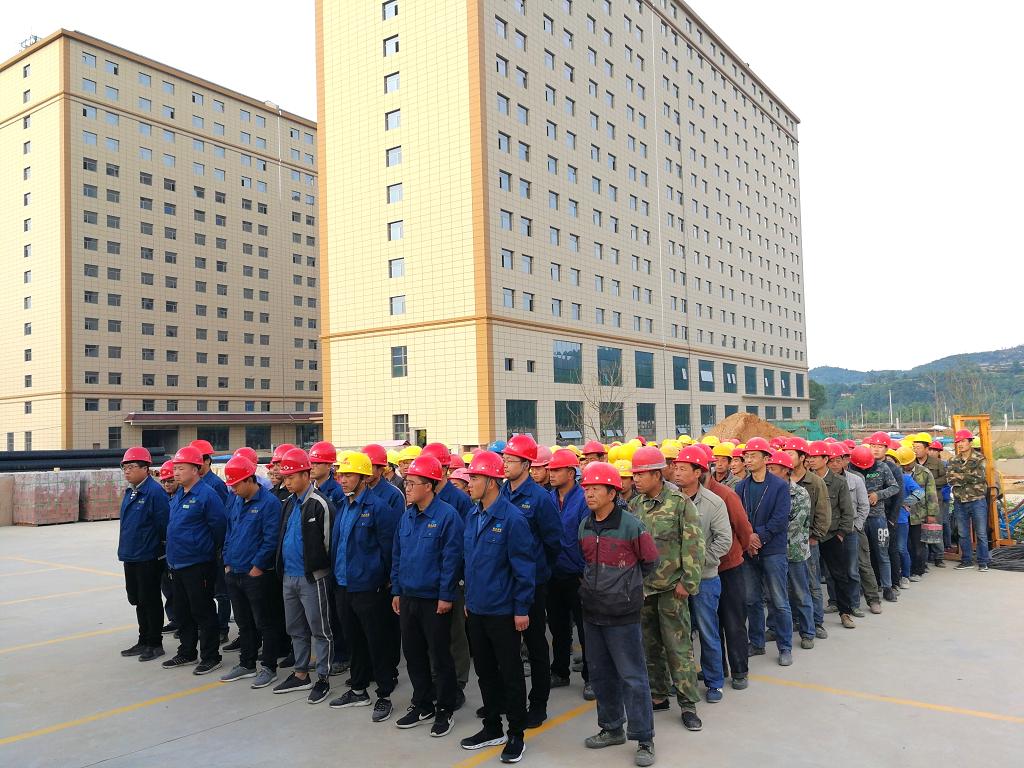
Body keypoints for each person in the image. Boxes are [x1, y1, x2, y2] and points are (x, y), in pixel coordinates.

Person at [578, 462, 660, 768]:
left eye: (596, 488)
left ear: (612, 493)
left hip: (623, 614)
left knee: (633, 677)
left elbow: (650, 561)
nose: (589, 494)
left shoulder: (631, 526)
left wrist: (627, 588)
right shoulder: (584, 526)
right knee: (601, 675)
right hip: (593, 612)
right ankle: (611, 728)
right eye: (586, 488)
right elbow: (585, 562)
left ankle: (644, 738)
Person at [459, 451, 534, 764]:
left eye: (475, 478)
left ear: (491, 482)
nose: (469, 483)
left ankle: (516, 733)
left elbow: (524, 568)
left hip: (503, 611)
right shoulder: (473, 515)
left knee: (511, 674)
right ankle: (492, 727)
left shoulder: (512, 519)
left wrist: (521, 609)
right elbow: (470, 562)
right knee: (485, 672)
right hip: (477, 608)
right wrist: (469, 600)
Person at [628, 446, 705, 731]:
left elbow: (694, 545)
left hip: (673, 588)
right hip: (645, 589)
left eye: (641, 474)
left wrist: (688, 582)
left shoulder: (680, 503)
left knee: (678, 647)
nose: (636, 479)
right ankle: (659, 695)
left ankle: (688, 704)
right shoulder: (636, 505)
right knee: (650, 646)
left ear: (657, 474)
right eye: (634, 474)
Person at [391, 455, 464, 737]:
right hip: (409, 596)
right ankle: (422, 703)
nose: (407, 488)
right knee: (413, 654)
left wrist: (446, 596)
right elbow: (397, 555)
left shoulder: (447, 516)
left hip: (435, 599)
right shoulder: (407, 515)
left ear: (429, 486)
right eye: (406, 483)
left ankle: (445, 708)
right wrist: (397, 590)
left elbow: (451, 560)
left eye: (412, 483)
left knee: (440, 656)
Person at [328, 452, 400, 720]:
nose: (342, 480)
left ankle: (384, 694)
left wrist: (384, 581)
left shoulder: (379, 508)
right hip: (344, 585)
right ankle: (358, 689)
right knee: (354, 640)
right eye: (340, 475)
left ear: (364, 477)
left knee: (377, 642)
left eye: (348, 475)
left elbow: (389, 550)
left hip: (370, 588)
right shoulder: (343, 506)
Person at [501, 435, 562, 729]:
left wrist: (539, 570)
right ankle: (510, 700)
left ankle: (538, 704)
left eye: (510, 461)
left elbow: (553, 542)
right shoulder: (500, 492)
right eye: (504, 459)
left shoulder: (540, 499)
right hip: (505, 581)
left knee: (536, 644)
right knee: (507, 647)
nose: (505, 465)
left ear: (526, 464)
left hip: (533, 583)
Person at [272, 448, 335, 703]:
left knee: (320, 629)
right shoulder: (288, 504)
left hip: (313, 578)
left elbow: (329, 544)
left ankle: (323, 678)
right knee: (296, 628)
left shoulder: (320, 504)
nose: (287, 482)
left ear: (306, 475)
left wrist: (319, 569)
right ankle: (301, 673)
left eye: (292, 477)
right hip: (289, 576)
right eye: (285, 477)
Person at [218, 456, 284, 689]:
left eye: (236, 484)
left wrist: (257, 567)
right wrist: (227, 561)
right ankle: (246, 663)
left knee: (265, 622)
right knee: (244, 622)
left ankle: (269, 667)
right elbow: (230, 531)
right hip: (234, 571)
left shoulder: (269, 503)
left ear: (249, 479)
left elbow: (271, 539)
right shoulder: (237, 500)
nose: (233, 489)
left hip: (257, 575)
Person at [161, 445, 227, 675]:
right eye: (175, 468)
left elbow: (219, 527)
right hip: (177, 563)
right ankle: (187, 651)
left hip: (198, 564)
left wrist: (205, 550)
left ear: (195, 469)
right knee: (182, 610)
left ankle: (211, 656)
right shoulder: (179, 494)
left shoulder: (207, 495)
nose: (176, 472)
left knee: (203, 610)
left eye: (181, 468)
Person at [674, 447, 732, 704]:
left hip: (705, 579)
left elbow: (724, 541)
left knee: (708, 632)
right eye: (675, 468)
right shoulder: (670, 500)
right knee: (679, 635)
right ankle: (682, 681)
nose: (676, 472)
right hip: (674, 580)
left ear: (698, 472)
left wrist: (695, 563)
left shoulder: (713, 503)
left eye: (682, 468)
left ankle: (714, 682)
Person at [736, 438, 794, 666]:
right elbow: (739, 517)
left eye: (753, 456)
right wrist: (748, 538)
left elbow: (780, 518)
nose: (748, 460)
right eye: (746, 456)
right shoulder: (741, 487)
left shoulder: (779, 486)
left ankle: (785, 646)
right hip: (749, 550)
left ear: (766, 458)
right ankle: (757, 642)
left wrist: (757, 536)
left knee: (779, 600)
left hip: (773, 549)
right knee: (752, 600)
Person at [545, 449, 591, 699]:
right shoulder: (547, 499)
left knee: (585, 628)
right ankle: (560, 671)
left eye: (557, 470)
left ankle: (591, 677)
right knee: (558, 627)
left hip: (577, 575)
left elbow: (587, 538)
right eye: (550, 470)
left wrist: (584, 569)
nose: (551, 474)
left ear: (571, 473)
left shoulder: (583, 499)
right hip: (553, 574)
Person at [118, 447, 170, 663]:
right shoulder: (131, 492)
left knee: (150, 600)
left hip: (148, 556)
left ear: (145, 468)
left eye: (131, 467)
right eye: (124, 467)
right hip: (131, 554)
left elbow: (163, 525)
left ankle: (155, 643)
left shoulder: (155, 493)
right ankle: (143, 639)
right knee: (137, 599)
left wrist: (160, 553)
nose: (127, 471)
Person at [703, 468, 753, 690]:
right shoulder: (684, 497)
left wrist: (738, 552)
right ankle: (717, 667)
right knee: (710, 623)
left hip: (728, 567)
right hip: (704, 570)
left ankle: (739, 670)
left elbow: (743, 528)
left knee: (733, 620)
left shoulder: (725, 495)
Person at [765, 452, 816, 649]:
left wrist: (767, 532)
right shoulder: (768, 492)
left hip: (794, 551)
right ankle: (774, 627)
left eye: (773, 469)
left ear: (786, 471)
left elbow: (793, 525)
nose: (769, 472)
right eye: (768, 469)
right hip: (773, 551)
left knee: (801, 593)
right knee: (774, 594)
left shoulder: (799, 493)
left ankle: (808, 631)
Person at [805, 441, 857, 630]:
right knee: (810, 576)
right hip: (810, 535)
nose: (811, 460)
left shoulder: (838, 482)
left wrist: (841, 534)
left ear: (825, 459)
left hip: (831, 535)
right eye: (809, 457)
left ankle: (845, 612)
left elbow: (847, 511)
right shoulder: (806, 481)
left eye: (815, 457)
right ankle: (810, 616)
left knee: (839, 574)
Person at [783, 438, 831, 640]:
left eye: (791, 454)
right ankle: (796, 620)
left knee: (811, 583)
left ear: (802, 457)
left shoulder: (815, 482)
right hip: (785, 543)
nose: (787, 457)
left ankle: (817, 622)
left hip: (807, 541)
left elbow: (823, 512)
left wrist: (815, 536)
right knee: (790, 585)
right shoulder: (782, 479)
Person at [827, 444, 878, 615]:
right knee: (831, 570)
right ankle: (834, 601)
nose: (834, 464)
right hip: (830, 531)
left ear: (845, 461)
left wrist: (856, 526)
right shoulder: (822, 481)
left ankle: (855, 603)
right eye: (831, 461)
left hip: (851, 530)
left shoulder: (855, 480)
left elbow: (864, 505)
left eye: (838, 460)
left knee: (853, 569)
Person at [847, 443, 899, 602]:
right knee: (859, 556)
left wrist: (878, 495)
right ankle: (861, 587)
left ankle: (887, 587)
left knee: (882, 553)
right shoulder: (849, 470)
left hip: (878, 518)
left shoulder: (882, 467)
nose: (863, 469)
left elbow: (894, 487)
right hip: (857, 519)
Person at [948, 430, 990, 571]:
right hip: (960, 501)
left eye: (963, 441)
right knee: (962, 533)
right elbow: (950, 479)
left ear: (970, 442)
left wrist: (959, 476)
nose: (960, 444)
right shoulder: (953, 460)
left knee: (981, 533)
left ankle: (983, 562)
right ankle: (966, 560)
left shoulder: (979, 458)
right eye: (958, 442)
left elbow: (979, 476)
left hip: (977, 500)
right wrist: (966, 476)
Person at [899, 446, 937, 581]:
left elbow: (931, 494)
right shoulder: (897, 473)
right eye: (903, 464)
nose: (906, 466)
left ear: (913, 460)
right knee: (905, 544)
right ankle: (906, 570)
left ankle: (918, 570)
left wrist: (931, 514)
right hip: (902, 516)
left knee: (918, 544)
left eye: (908, 463)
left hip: (918, 514)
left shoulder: (924, 473)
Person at [157, 460, 179, 635]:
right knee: (167, 587)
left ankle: (183, 620)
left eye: (170, 481)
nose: (167, 485)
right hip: (164, 551)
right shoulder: (163, 498)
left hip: (179, 552)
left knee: (178, 589)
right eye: (164, 481)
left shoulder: (182, 498)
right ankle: (174, 618)